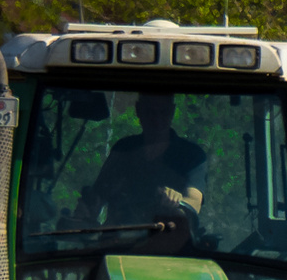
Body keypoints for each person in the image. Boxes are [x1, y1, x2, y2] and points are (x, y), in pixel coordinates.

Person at [78, 92, 207, 225]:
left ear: (172, 111)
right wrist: (83, 213)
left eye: (163, 112)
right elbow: (97, 197)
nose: (157, 119)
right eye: (150, 112)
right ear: (138, 109)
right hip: (117, 240)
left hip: (167, 241)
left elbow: (193, 203)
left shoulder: (191, 155)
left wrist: (178, 202)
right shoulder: (123, 149)